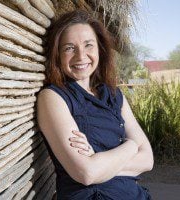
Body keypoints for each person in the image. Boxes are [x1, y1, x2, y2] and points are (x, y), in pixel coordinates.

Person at [37, 10, 154, 200]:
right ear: (57, 54)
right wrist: (131, 146)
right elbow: (86, 173)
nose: (80, 56)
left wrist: (100, 162)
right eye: (69, 48)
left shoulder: (115, 96)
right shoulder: (53, 97)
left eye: (88, 45)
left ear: (99, 49)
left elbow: (148, 160)